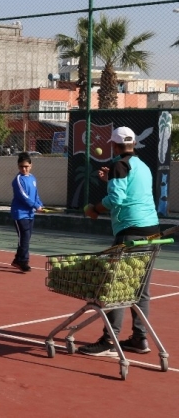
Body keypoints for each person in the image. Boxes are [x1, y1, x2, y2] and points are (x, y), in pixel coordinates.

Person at [80, 126, 160, 357]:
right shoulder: (142, 166)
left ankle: (109, 339)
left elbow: (117, 198)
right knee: (141, 290)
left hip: (130, 232)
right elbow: (130, 193)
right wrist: (110, 181)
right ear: (133, 144)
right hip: (152, 232)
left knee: (116, 287)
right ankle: (139, 338)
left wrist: (94, 208)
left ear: (114, 145)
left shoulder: (119, 165)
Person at [10, 152, 44, 273]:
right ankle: (23, 261)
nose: (24, 169)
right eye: (21, 166)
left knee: (27, 237)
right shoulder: (18, 180)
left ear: (31, 165)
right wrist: (35, 206)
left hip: (30, 213)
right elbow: (23, 197)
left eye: (26, 166)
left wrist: (40, 204)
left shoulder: (32, 178)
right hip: (19, 213)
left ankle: (17, 260)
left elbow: (35, 194)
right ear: (18, 167)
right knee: (24, 236)